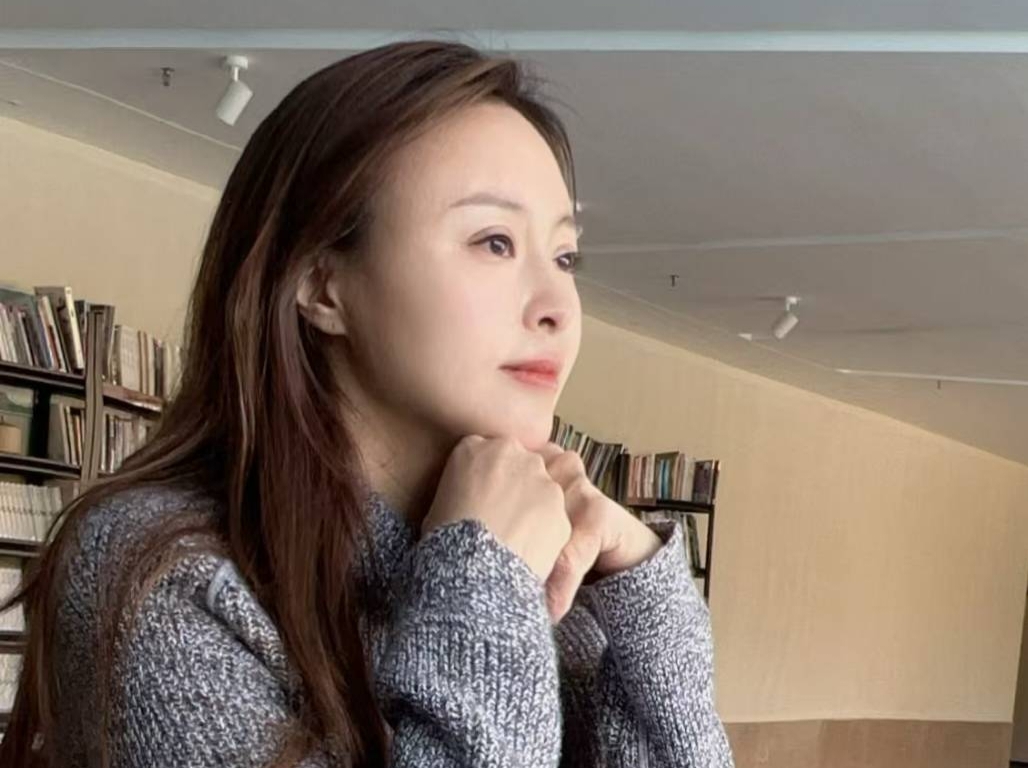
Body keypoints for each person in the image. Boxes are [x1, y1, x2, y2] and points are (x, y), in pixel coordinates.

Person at [0, 41, 734, 767]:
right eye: (494, 242)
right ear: (322, 285)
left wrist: (646, 603)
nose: (558, 307)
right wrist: (480, 577)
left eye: (565, 256)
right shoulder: (160, 569)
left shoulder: (547, 580)